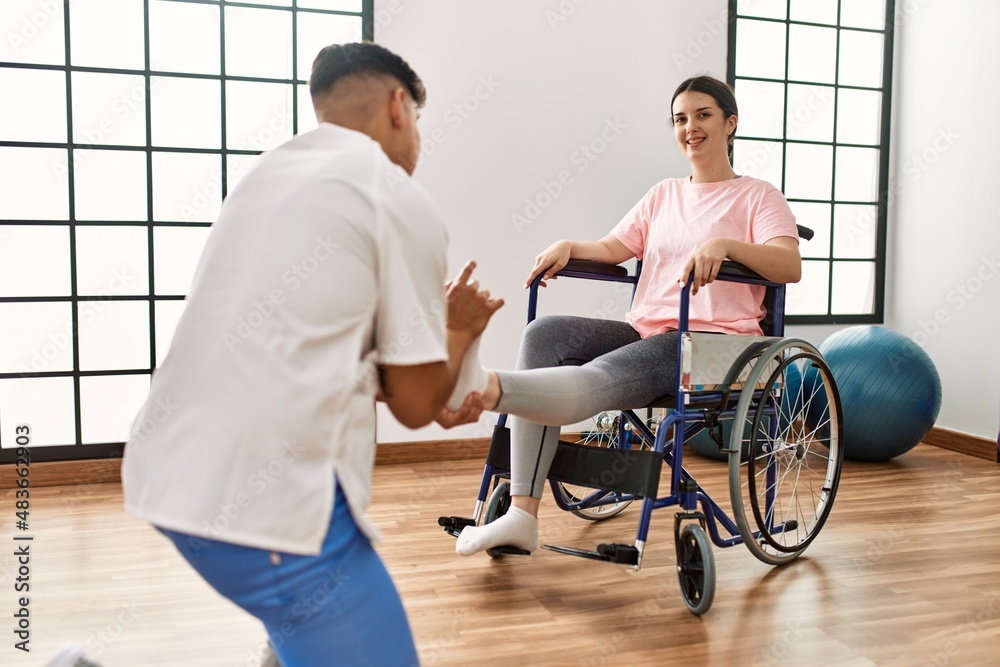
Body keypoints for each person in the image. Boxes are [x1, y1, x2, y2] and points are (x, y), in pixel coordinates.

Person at [120, 42, 501, 666]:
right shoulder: (395, 197)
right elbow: (413, 406)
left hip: (165, 471)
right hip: (263, 507)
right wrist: (457, 331)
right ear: (399, 106)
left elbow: (297, 343)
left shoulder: (267, 177)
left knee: (291, 642)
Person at [446, 75, 802, 556]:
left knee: (599, 375)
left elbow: (788, 264)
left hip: (713, 346)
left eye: (703, 115)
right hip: (648, 330)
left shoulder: (757, 196)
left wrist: (724, 246)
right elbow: (615, 248)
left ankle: (484, 386)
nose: (690, 127)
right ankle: (520, 515)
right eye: (680, 119)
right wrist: (570, 246)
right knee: (545, 334)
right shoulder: (663, 194)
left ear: (730, 123)